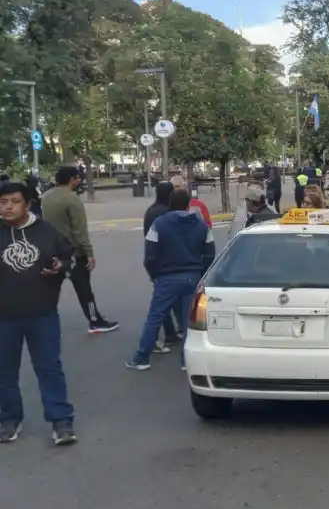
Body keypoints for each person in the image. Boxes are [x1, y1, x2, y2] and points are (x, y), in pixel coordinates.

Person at [0, 181, 77, 445]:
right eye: (3, 202)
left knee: (49, 369)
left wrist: (61, 266)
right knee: (4, 371)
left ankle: (61, 421)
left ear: (27, 204)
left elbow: (69, 256)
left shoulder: (46, 232)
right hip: (4, 317)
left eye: (14, 201)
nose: (8, 207)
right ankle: (9, 419)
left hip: (42, 314)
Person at [127, 189, 215, 370]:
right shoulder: (200, 225)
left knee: (155, 318)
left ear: (169, 204)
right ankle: (186, 361)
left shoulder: (159, 224)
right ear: (188, 204)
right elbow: (210, 252)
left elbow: (150, 254)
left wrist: (155, 274)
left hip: (166, 278)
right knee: (188, 322)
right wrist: (201, 273)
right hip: (192, 277)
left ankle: (142, 358)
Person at [41, 166, 118, 334]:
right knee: (84, 289)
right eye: (78, 178)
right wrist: (89, 253)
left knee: (51, 290)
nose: (79, 181)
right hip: (72, 252)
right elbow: (79, 230)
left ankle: (45, 324)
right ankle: (95, 321)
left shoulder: (45, 197)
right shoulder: (71, 199)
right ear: (71, 179)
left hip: (51, 251)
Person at [142, 182, 181, 350]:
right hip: (170, 260)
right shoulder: (167, 213)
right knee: (175, 299)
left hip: (155, 260)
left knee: (162, 298)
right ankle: (177, 331)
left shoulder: (150, 211)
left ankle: (170, 332)